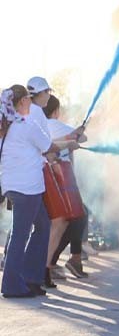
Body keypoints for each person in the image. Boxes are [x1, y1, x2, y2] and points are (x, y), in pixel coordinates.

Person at [1, 85, 70, 298]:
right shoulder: (25, 125)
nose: (31, 103)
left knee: (42, 226)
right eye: (28, 99)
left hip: (17, 185)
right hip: (27, 187)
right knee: (21, 234)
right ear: (22, 102)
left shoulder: (8, 125)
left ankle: (30, 278)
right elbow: (48, 146)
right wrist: (71, 143)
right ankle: (12, 285)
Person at [42, 95, 88, 286]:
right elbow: (83, 138)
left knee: (70, 219)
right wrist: (75, 134)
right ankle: (51, 264)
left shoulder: (40, 124)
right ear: (56, 111)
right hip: (60, 175)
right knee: (71, 218)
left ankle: (61, 262)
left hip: (52, 174)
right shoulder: (53, 123)